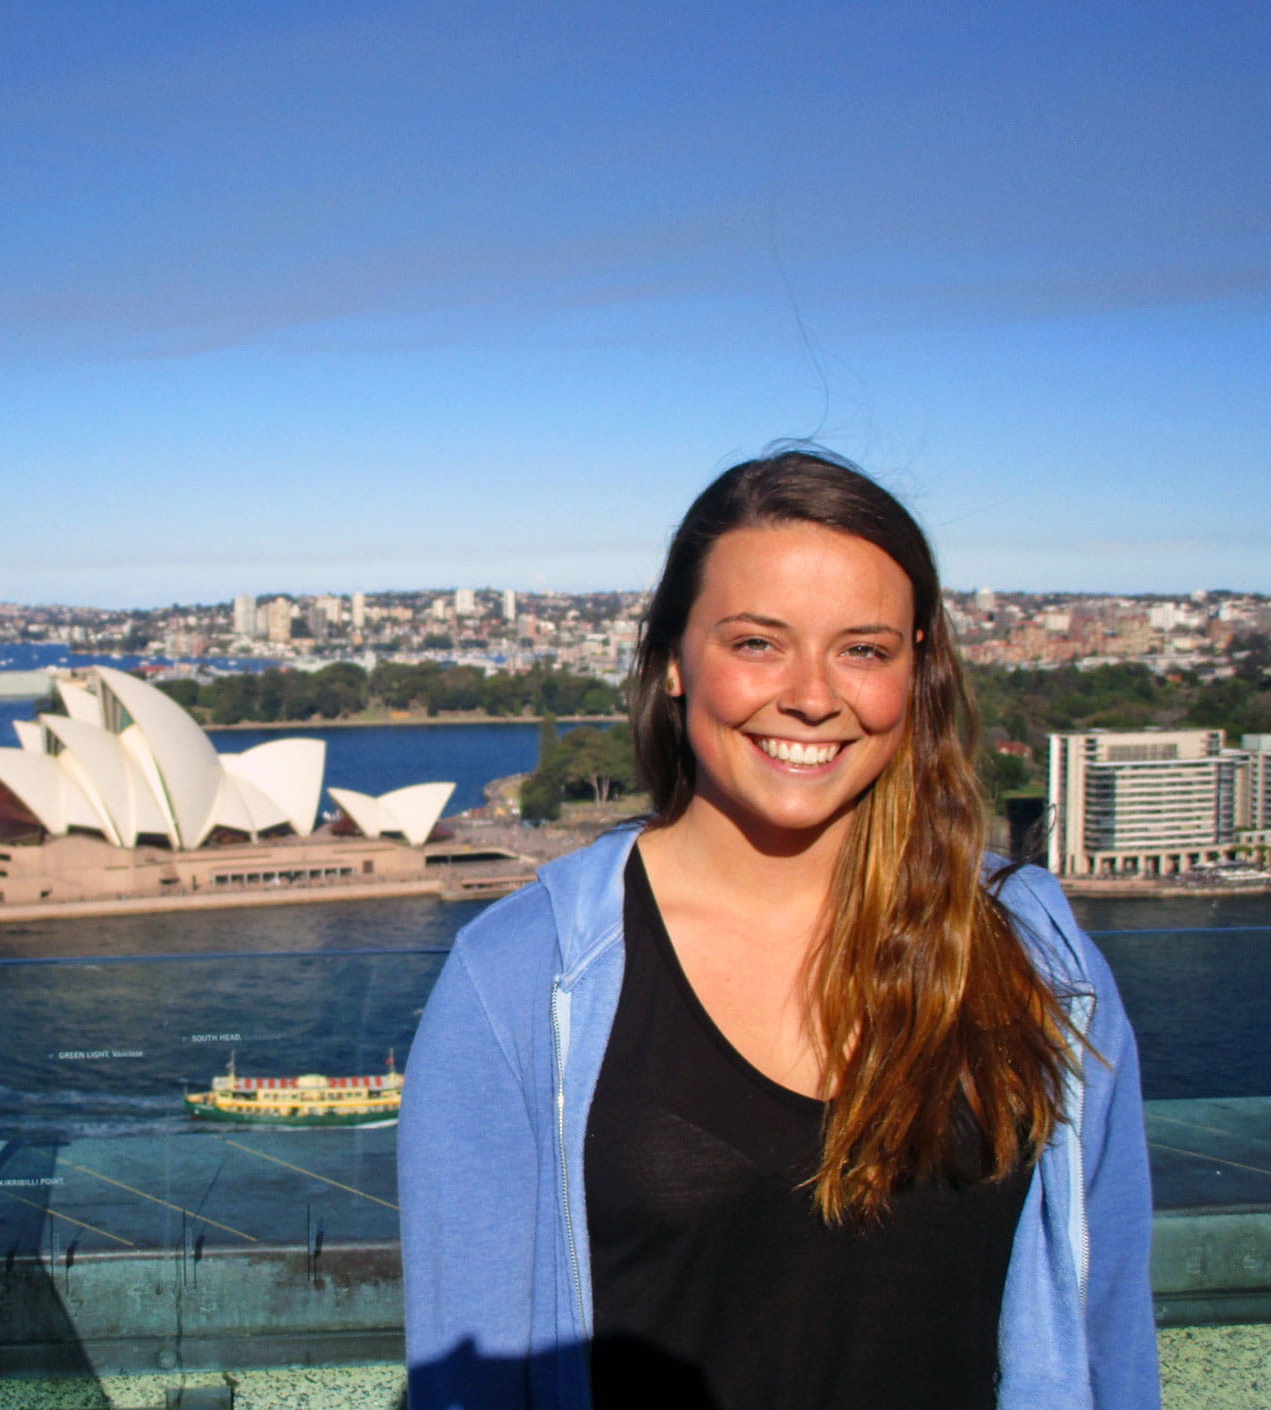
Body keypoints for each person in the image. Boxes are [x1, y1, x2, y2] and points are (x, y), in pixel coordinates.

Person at [398, 449, 1157, 1410]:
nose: (810, 694)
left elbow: (1109, 1336)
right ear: (673, 661)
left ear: (917, 672)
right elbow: (471, 1378)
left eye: (864, 649)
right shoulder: (519, 978)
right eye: (758, 642)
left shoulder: (1037, 952)